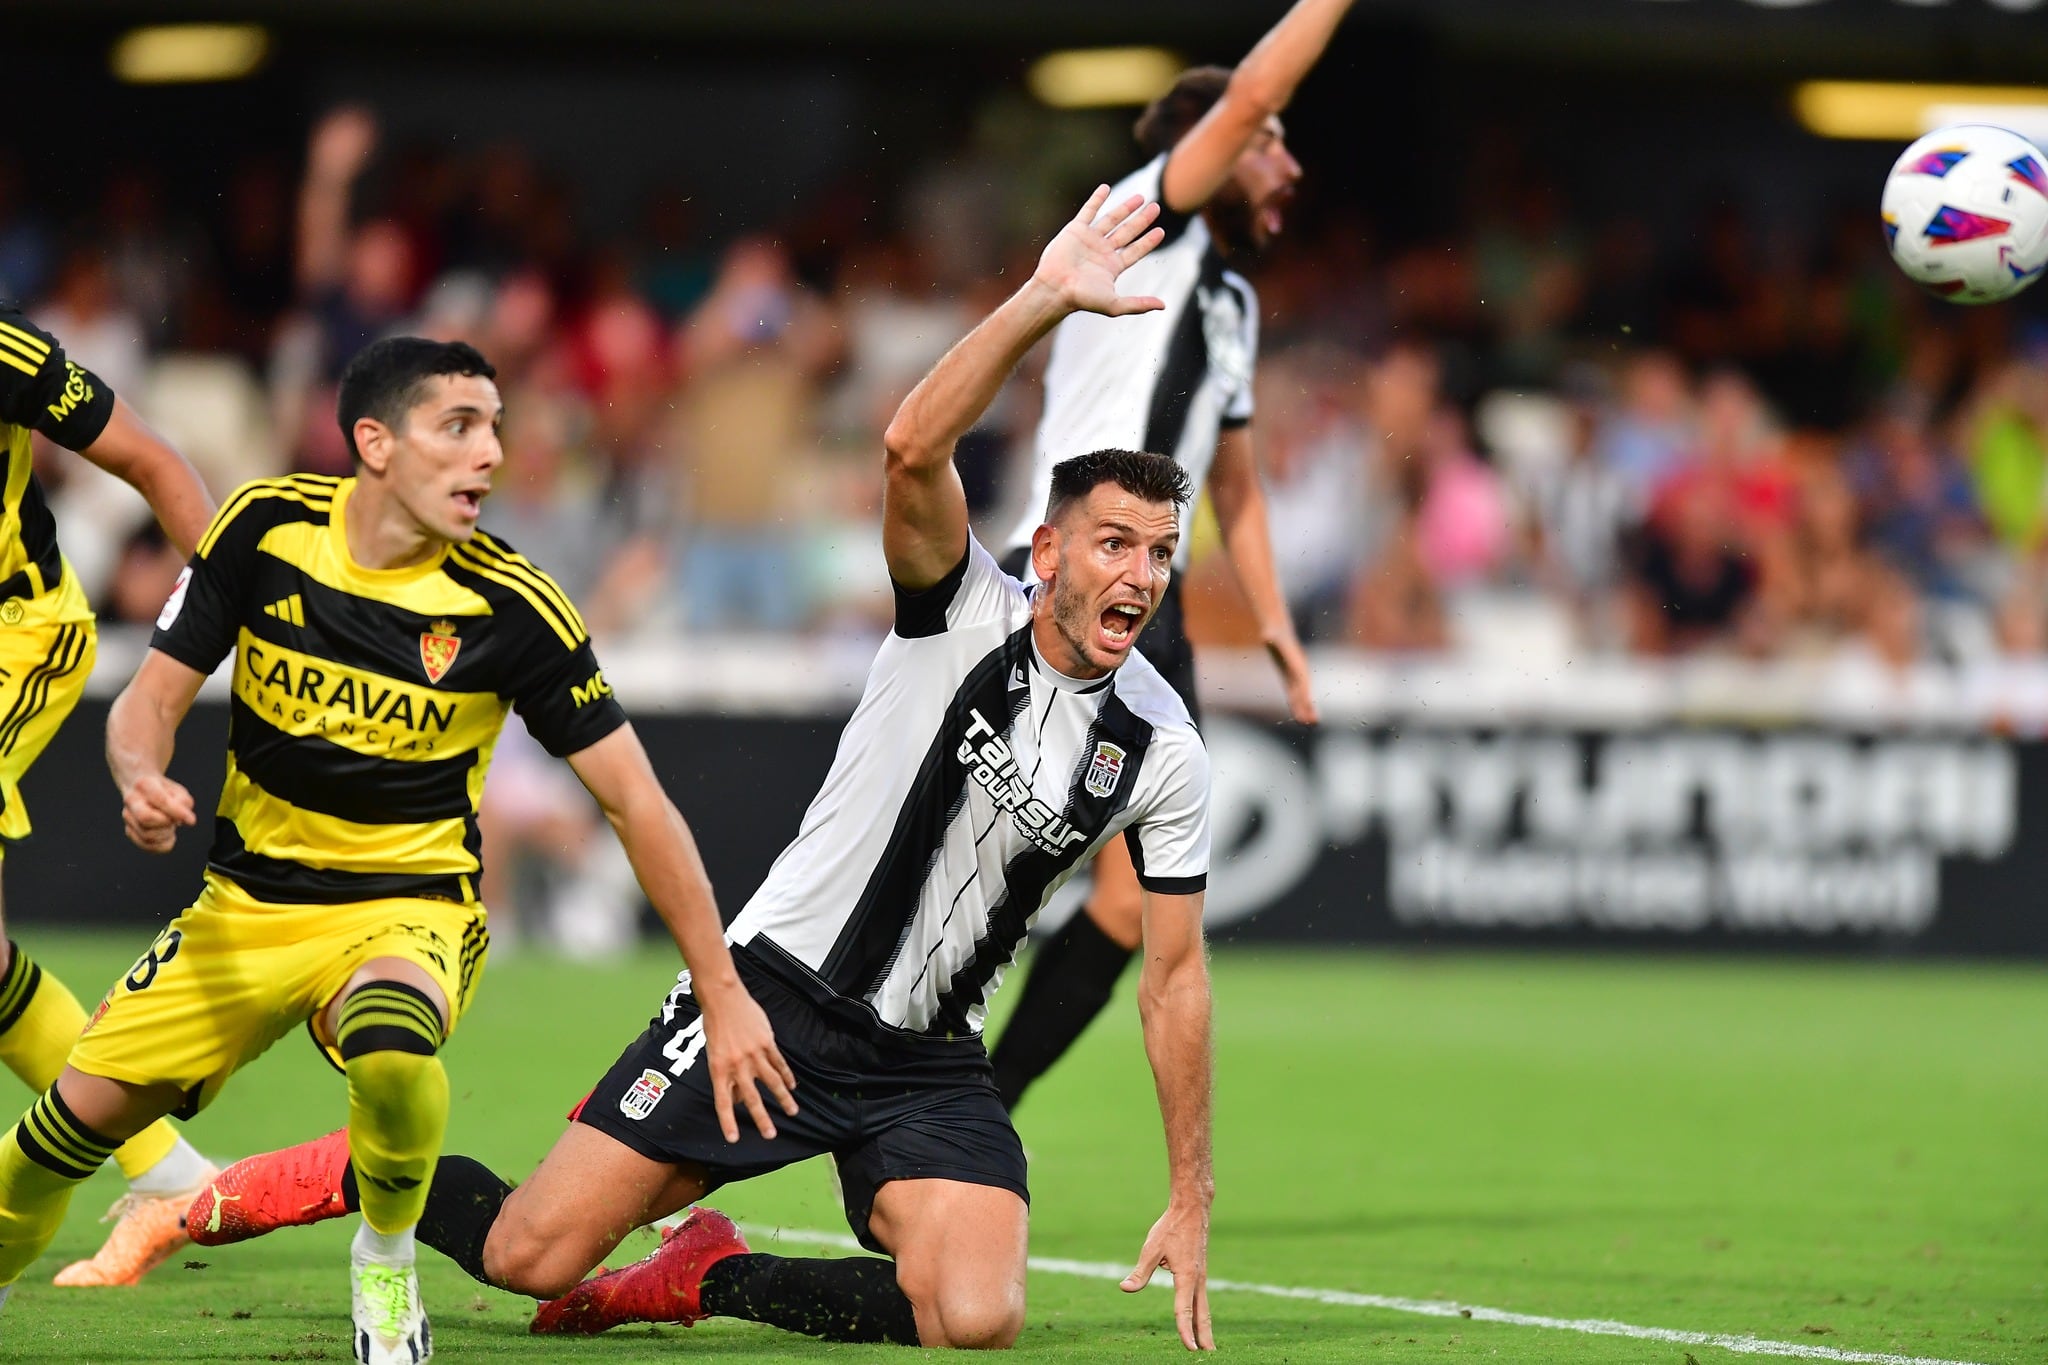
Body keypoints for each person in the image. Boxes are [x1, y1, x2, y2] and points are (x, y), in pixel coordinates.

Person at [187, 190, 1221, 1350]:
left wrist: (1191, 1193)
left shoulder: (1161, 744)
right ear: (1047, 550)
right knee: (533, 1253)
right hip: (771, 999)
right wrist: (1039, 298)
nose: (1138, 576)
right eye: (1113, 544)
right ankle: (361, 1164)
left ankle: (705, 1277)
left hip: (928, 1059)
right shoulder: (962, 611)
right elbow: (909, 445)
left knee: (974, 1318)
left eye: (1159, 555)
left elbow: (1173, 977)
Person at [0, 336, 790, 1365]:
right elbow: (145, 705)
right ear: (373, 442)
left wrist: (721, 988)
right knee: (45, 1157)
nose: (489, 455)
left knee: (388, 1036)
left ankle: (384, 1261)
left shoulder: (516, 607)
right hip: (241, 915)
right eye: (459, 427)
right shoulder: (262, 532)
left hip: (408, 908)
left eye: (495, 428)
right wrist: (137, 775)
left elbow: (638, 805)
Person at [990, 0, 1350, 1111]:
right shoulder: (1143, 223)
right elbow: (1246, 91)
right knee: (978, 855)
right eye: (1270, 144)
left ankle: (979, 1105)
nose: (1287, 163)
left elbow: (1230, 480)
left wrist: (1277, 620)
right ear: (1214, 150)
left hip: (1151, 597)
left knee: (1129, 899)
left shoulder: (1230, 299)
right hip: (1060, 574)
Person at [0, 303, 220, 1287]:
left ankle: (139, 1169)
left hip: (18, 633)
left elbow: (155, 465)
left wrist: (255, 616)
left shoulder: (5, 350)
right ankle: (161, 1167)